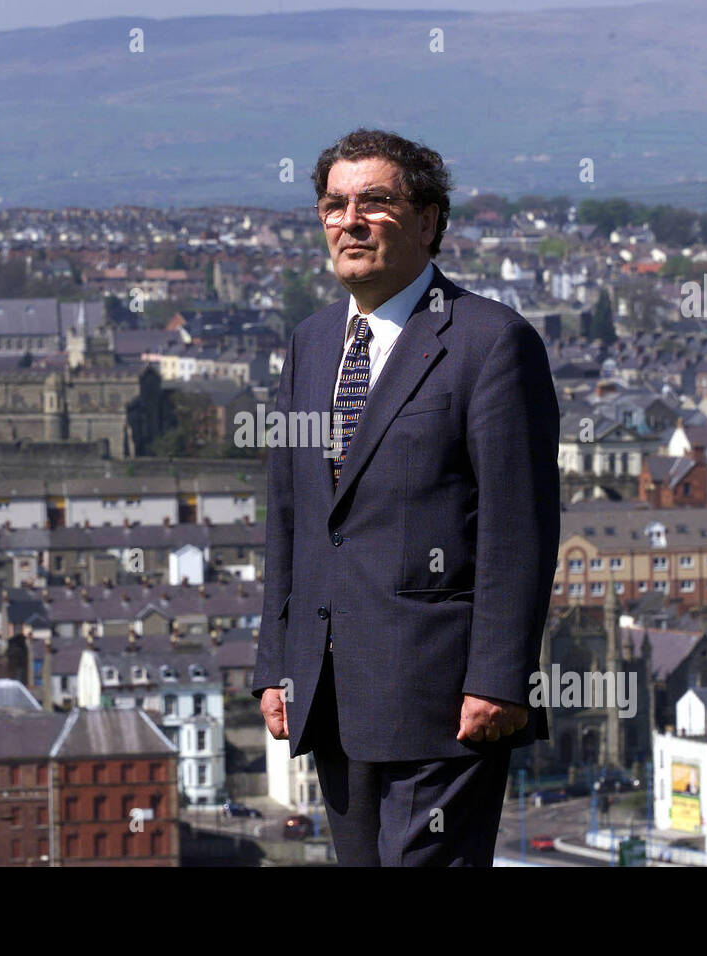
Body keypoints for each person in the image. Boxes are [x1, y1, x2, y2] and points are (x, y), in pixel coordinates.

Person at [252, 128, 560, 866]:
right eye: (334, 205)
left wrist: (498, 679)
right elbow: (291, 517)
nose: (349, 221)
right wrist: (274, 664)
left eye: (375, 203)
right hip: (329, 692)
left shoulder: (491, 341)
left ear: (428, 221)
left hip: (444, 699)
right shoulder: (312, 342)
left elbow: (519, 529)